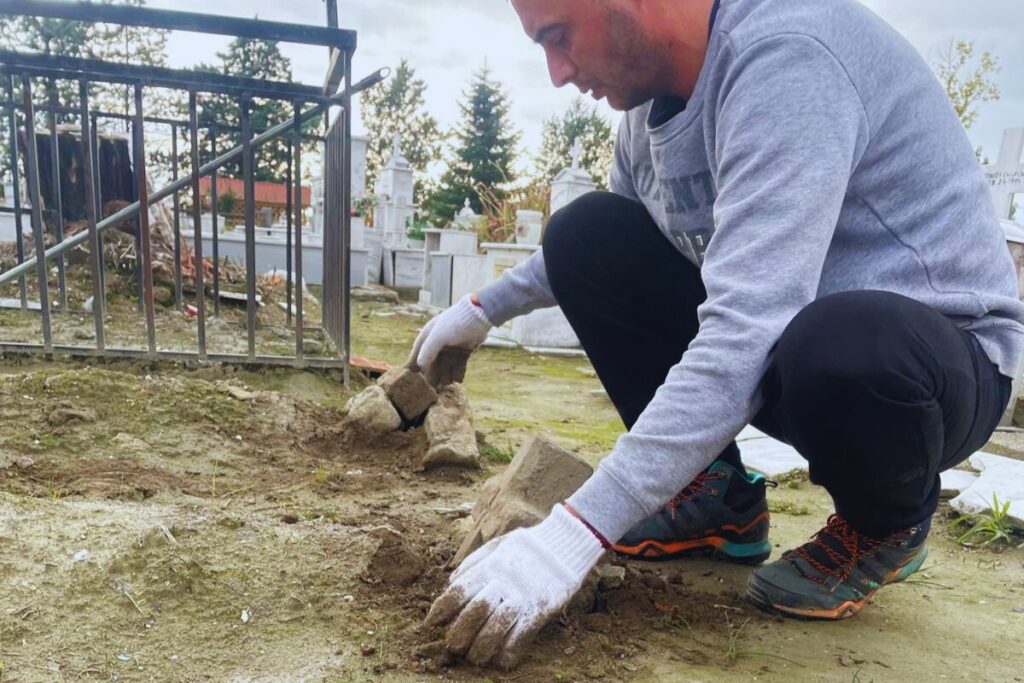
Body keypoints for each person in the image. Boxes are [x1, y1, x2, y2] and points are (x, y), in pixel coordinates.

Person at [414, 0, 1024, 670]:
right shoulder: (644, 112)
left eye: (559, 38)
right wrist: (480, 308)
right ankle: (715, 498)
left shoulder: (789, 58)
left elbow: (749, 324)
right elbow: (614, 247)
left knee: (841, 339)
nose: (557, 72)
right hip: (795, 353)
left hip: (930, 368)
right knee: (586, 231)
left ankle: (885, 524)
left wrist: (577, 529)